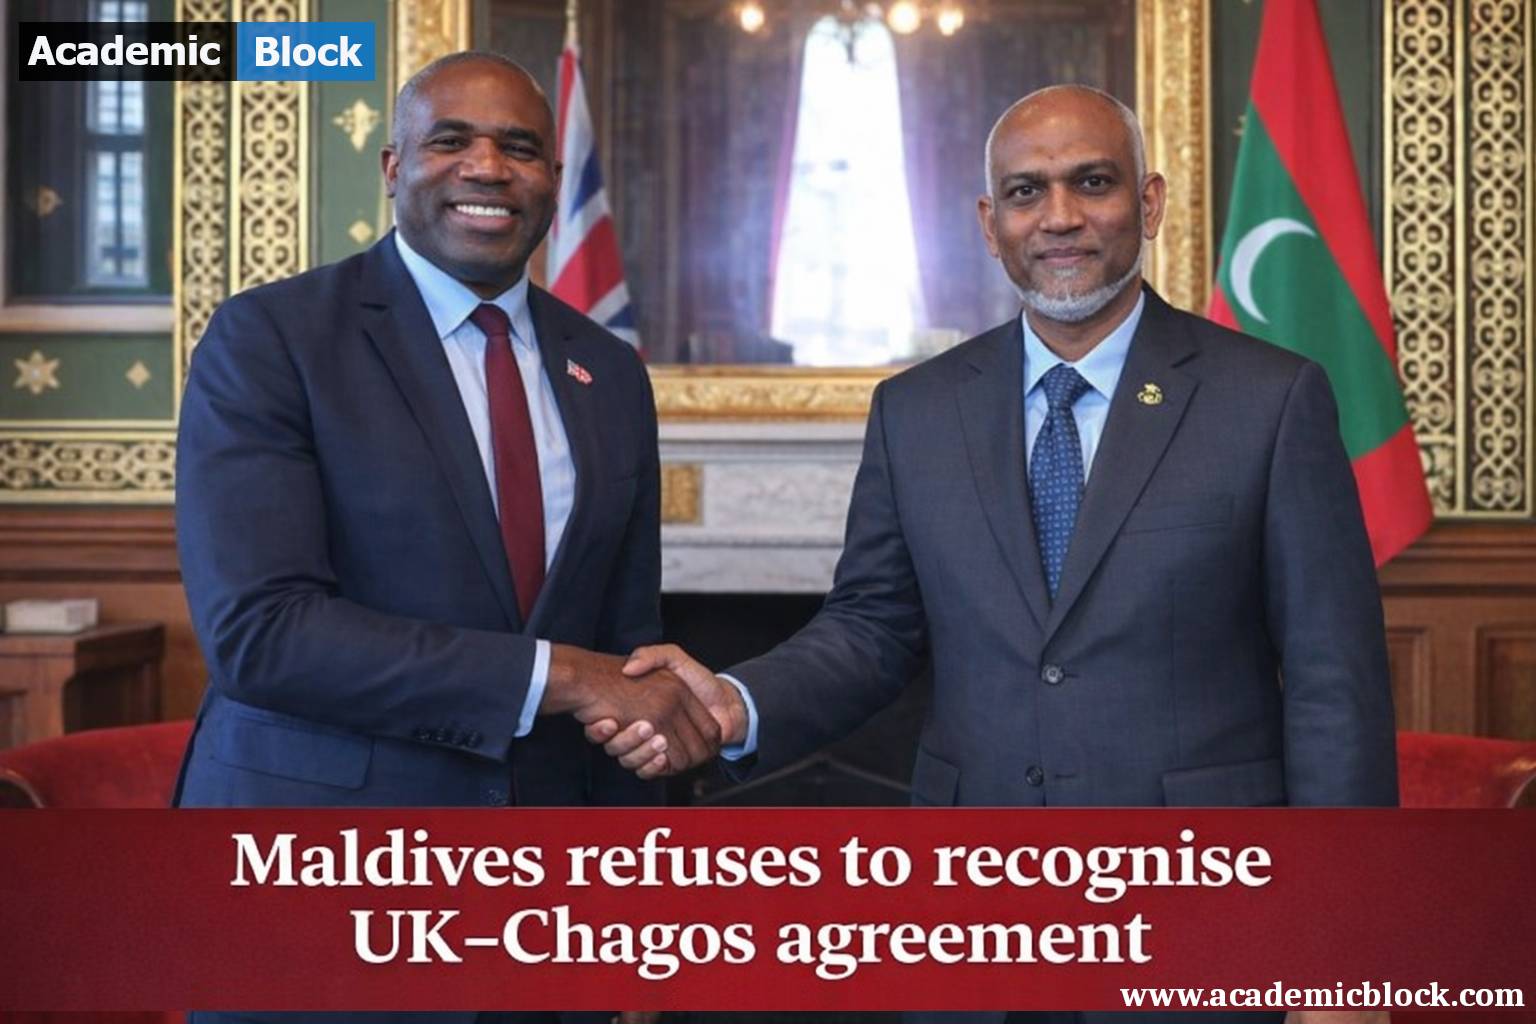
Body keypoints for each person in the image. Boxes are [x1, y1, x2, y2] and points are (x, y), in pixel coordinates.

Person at [597, 85, 1397, 1024]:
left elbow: (1332, 682)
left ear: (1148, 202)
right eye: (1026, 191)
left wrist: (1346, 954)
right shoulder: (918, 410)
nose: (1058, 217)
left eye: (1090, 183)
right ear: (989, 221)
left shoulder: (1270, 401)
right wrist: (739, 699)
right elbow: (873, 628)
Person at [174, 50, 711, 1024]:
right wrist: (559, 674)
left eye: (520, 148)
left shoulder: (607, 370)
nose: (487, 168)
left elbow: (626, 652)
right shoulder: (273, 339)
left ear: (555, 178)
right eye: (450, 140)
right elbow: (262, 633)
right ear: (392, 166)